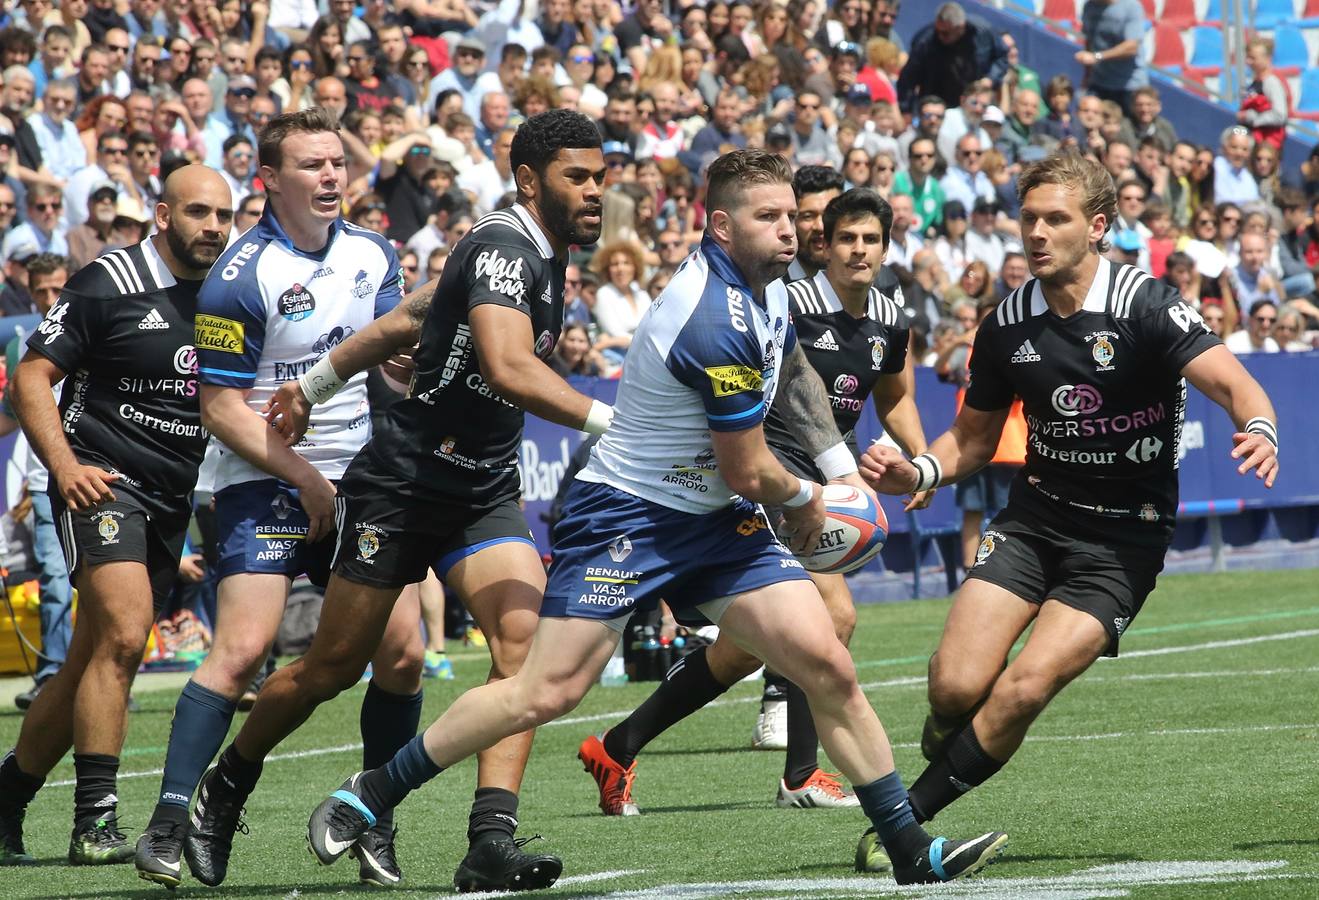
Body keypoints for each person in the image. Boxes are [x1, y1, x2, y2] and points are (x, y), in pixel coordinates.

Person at [299, 148, 1008, 888]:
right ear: (721, 226)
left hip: (709, 517)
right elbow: (748, 469)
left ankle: (906, 848)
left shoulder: (767, 288)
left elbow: (793, 370)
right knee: (545, 691)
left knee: (824, 660)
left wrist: (835, 469)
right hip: (626, 518)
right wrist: (808, 503)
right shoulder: (712, 317)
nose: (789, 232)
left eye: (790, 216)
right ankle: (370, 793)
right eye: (767, 218)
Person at [188, 109, 608, 894]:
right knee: (329, 669)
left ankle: (489, 840)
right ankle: (225, 787)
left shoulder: (537, 257)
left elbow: (411, 315)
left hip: (480, 488)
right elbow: (512, 368)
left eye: (599, 177)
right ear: (528, 180)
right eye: (576, 178)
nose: (595, 192)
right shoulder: (505, 248)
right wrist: (615, 424)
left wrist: (313, 381)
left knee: (524, 650)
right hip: (405, 484)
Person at [856, 152, 1278, 862]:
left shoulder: (1145, 305)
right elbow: (973, 436)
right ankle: (947, 732)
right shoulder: (1005, 325)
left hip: (1123, 541)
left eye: (1056, 219)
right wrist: (919, 468)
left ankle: (901, 823)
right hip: (1034, 519)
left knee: (1024, 686)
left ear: (1097, 227)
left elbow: (1238, 386)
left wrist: (1259, 429)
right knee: (953, 683)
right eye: (1028, 219)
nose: (1037, 234)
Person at [130, 108, 421, 891]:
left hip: (360, 477)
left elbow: (386, 362)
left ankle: (372, 818)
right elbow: (222, 409)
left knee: (403, 654)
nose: (331, 176)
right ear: (270, 180)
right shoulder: (241, 274)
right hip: (267, 479)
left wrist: (412, 370)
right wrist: (304, 476)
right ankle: (170, 817)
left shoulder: (372, 251)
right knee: (243, 648)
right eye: (311, 166)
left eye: (336, 162)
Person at [578, 187, 934, 817]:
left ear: (887, 246)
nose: (857, 249)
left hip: (828, 470)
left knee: (745, 647)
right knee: (831, 618)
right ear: (824, 241)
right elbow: (776, 392)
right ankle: (801, 773)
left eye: (870, 239)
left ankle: (619, 744)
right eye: (845, 236)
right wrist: (810, 486)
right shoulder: (787, 297)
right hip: (766, 471)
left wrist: (920, 461)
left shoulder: (888, 314)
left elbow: (896, 396)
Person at [0, 165, 232, 866]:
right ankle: (94, 821)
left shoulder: (229, 294)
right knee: (127, 637)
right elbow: (30, 375)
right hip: (100, 482)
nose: (213, 228)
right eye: (198, 213)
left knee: (86, 666)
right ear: (163, 216)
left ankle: (5, 800)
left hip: (171, 498)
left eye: (223, 215)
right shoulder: (110, 280)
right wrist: (65, 467)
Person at [1, 253, 72, 712]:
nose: (49, 299)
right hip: (44, 476)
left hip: (99, 473)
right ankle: (53, 675)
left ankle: (99, 675)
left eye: (57, 289)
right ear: (29, 292)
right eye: (41, 291)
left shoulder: (96, 330)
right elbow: (10, 417)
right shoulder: (19, 345)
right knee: (55, 577)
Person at [896, 2, 1008, 113]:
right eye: (938, 31)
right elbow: (907, 80)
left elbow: (1002, 57)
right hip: (938, 106)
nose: (940, 36)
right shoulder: (926, 40)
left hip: (975, 105)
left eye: (945, 33)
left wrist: (990, 79)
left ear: (960, 27)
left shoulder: (982, 33)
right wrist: (906, 110)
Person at [1076, 0, 1147, 115]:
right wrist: (1086, 77)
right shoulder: (1089, 6)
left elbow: (1132, 47)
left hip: (1128, 86)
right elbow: (1089, 41)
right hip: (1098, 83)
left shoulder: (1131, 6)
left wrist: (1097, 56)